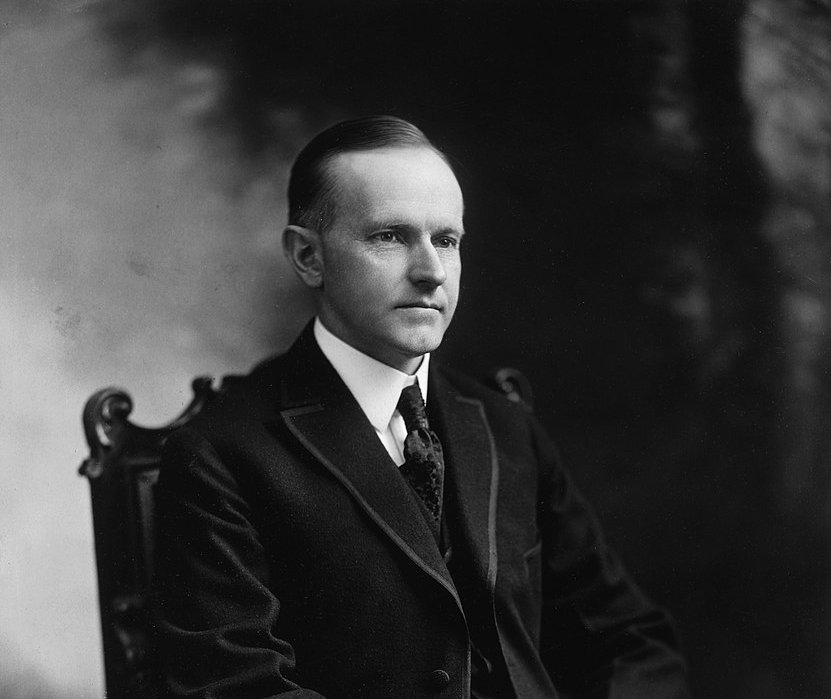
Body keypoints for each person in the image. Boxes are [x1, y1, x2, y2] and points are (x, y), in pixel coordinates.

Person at [153, 115, 690, 698]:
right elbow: (240, 687)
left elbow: (628, 638)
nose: (431, 271)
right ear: (308, 257)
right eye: (389, 236)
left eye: (446, 240)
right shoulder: (221, 453)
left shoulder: (502, 425)